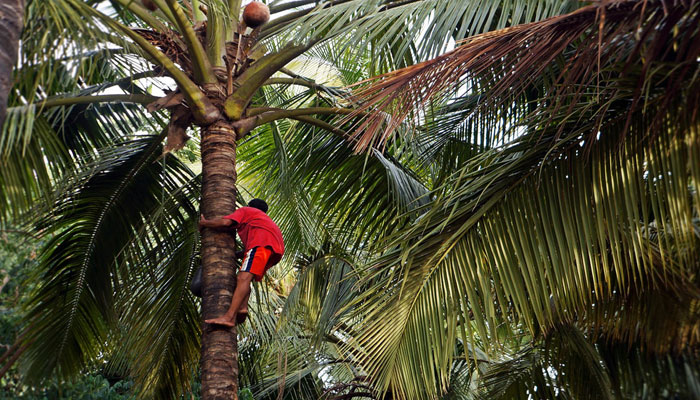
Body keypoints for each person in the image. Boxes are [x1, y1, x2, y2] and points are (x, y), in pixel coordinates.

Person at [198, 198, 284, 327]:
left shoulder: (247, 210)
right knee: (245, 277)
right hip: (273, 250)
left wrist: (205, 223)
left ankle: (229, 317)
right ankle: (242, 307)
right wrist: (236, 254)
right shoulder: (264, 220)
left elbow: (226, 222)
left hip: (261, 245)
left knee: (243, 278)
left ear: (249, 206)